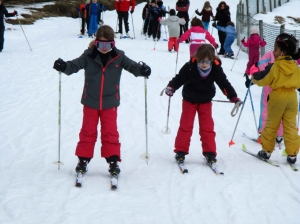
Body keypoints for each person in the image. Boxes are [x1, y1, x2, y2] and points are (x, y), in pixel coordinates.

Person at [52, 25, 151, 176]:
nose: (104, 48)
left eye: (108, 45)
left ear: (113, 43)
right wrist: (64, 66)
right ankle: (83, 159)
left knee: (110, 132)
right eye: (101, 44)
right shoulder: (88, 56)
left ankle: (113, 160)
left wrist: (142, 69)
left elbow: (132, 67)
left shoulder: (119, 56)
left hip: (110, 102)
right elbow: (74, 66)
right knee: (87, 132)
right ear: (96, 42)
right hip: (90, 101)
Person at [164, 44, 241, 165]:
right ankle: (181, 151)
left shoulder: (215, 68)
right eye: (201, 61)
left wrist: (233, 97)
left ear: (212, 59)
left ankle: (210, 152)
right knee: (186, 125)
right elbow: (179, 78)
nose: (203, 64)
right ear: (197, 58)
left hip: (205, 101)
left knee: (207, 127)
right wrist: (171, 87)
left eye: (206, 61)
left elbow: (224, 83)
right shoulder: (190, 66)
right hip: (189, 100)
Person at [250, 33, 300, 164]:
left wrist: (254, 77)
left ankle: (266, 151)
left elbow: (263, 78)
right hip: (292, 98)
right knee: (290, 126)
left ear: (283, 52)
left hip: (277, 97)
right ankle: (292, 154)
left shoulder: (275, 66)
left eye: (276, 49)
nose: (273, 52)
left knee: (271, 124)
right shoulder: (295, 66)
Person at [245, 50, 284, 146]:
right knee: (281, 111)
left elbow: (260, 68)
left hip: (269, 87)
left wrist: (253, 79)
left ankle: (264, 134)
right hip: (284, 90)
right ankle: (279, 135)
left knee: (266, 110)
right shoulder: (290, 58)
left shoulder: (270, 54)